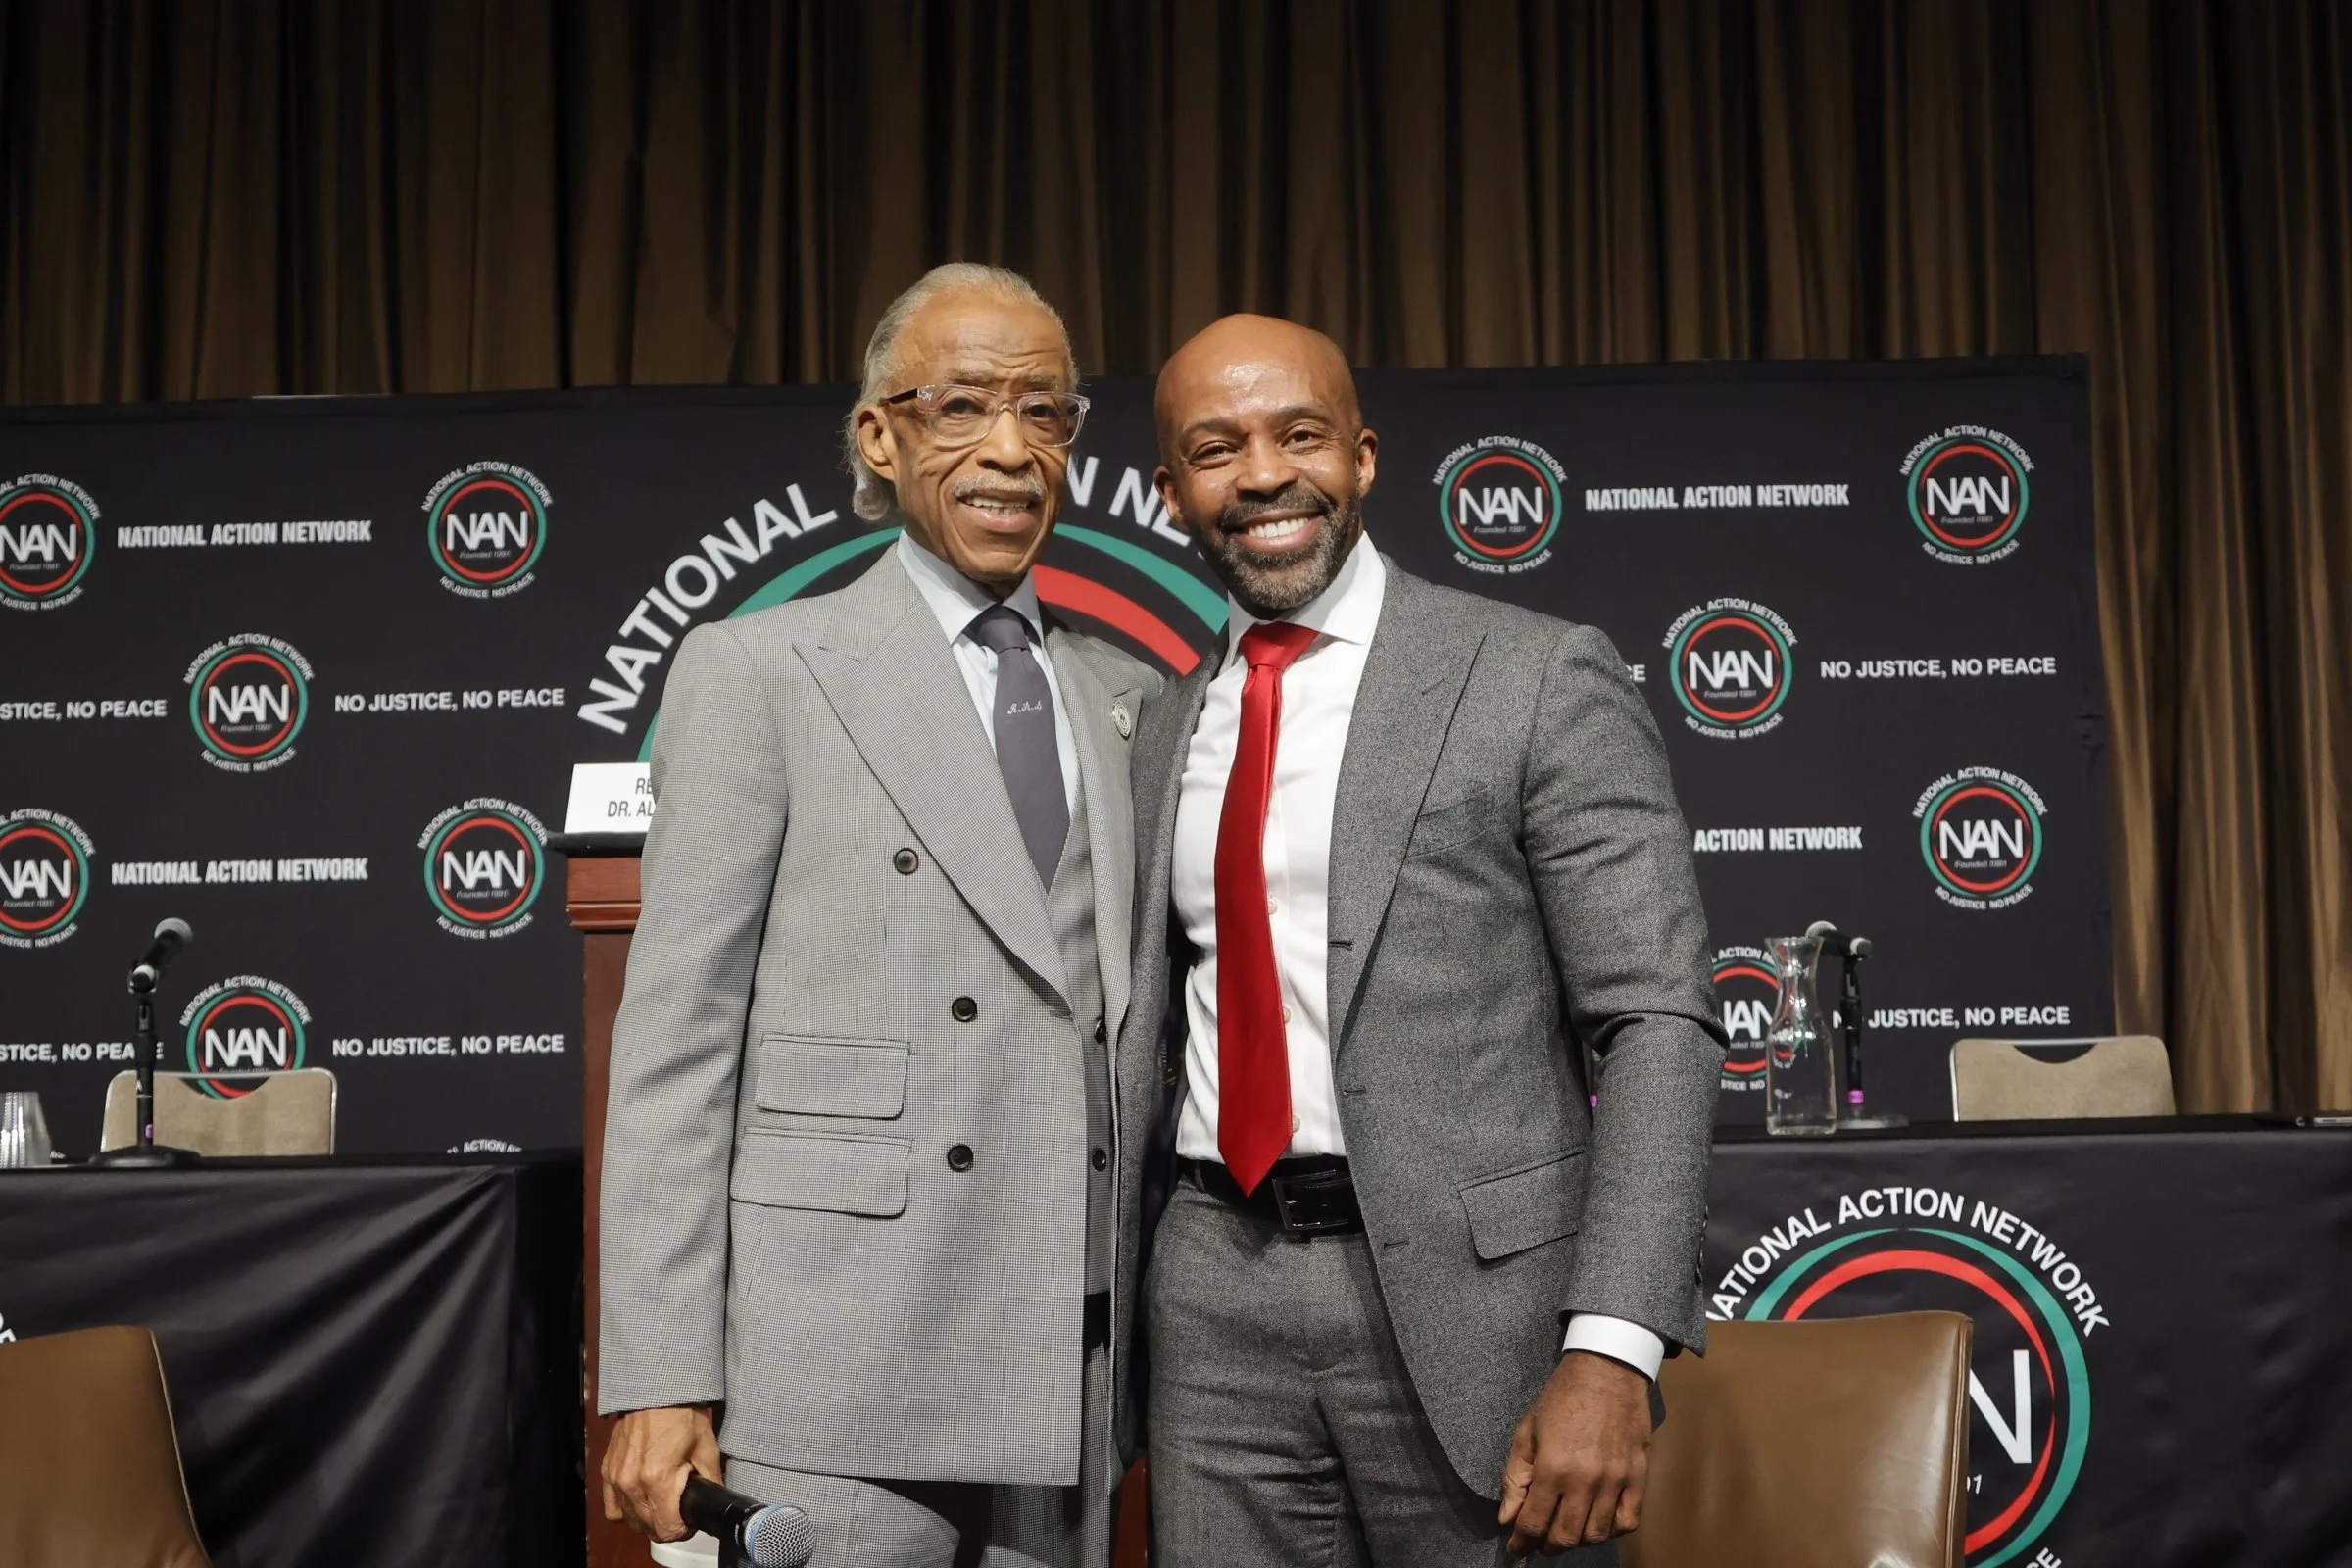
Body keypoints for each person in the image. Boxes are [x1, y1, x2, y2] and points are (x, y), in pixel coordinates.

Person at [1111, 315, 1725, 1565]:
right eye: (1217, 449)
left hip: (1485, 1313)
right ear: (1171, 492)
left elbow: (1657, 1020)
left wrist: (1613, 1346)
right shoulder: (1161, 725)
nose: (1265, 475)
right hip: (1212, 1300)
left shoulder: (1535, 675)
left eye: (1300, 435)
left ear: (1365, 457)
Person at [598, 263, 1157, 1568]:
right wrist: (662, 1374)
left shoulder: (1127, 693)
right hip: (834, 1368)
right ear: (879, 437)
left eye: (1046, 412)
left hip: (1067, 1366)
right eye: (961, 406)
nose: (1010, 449)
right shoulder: (761, 670)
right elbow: (676, 1048)